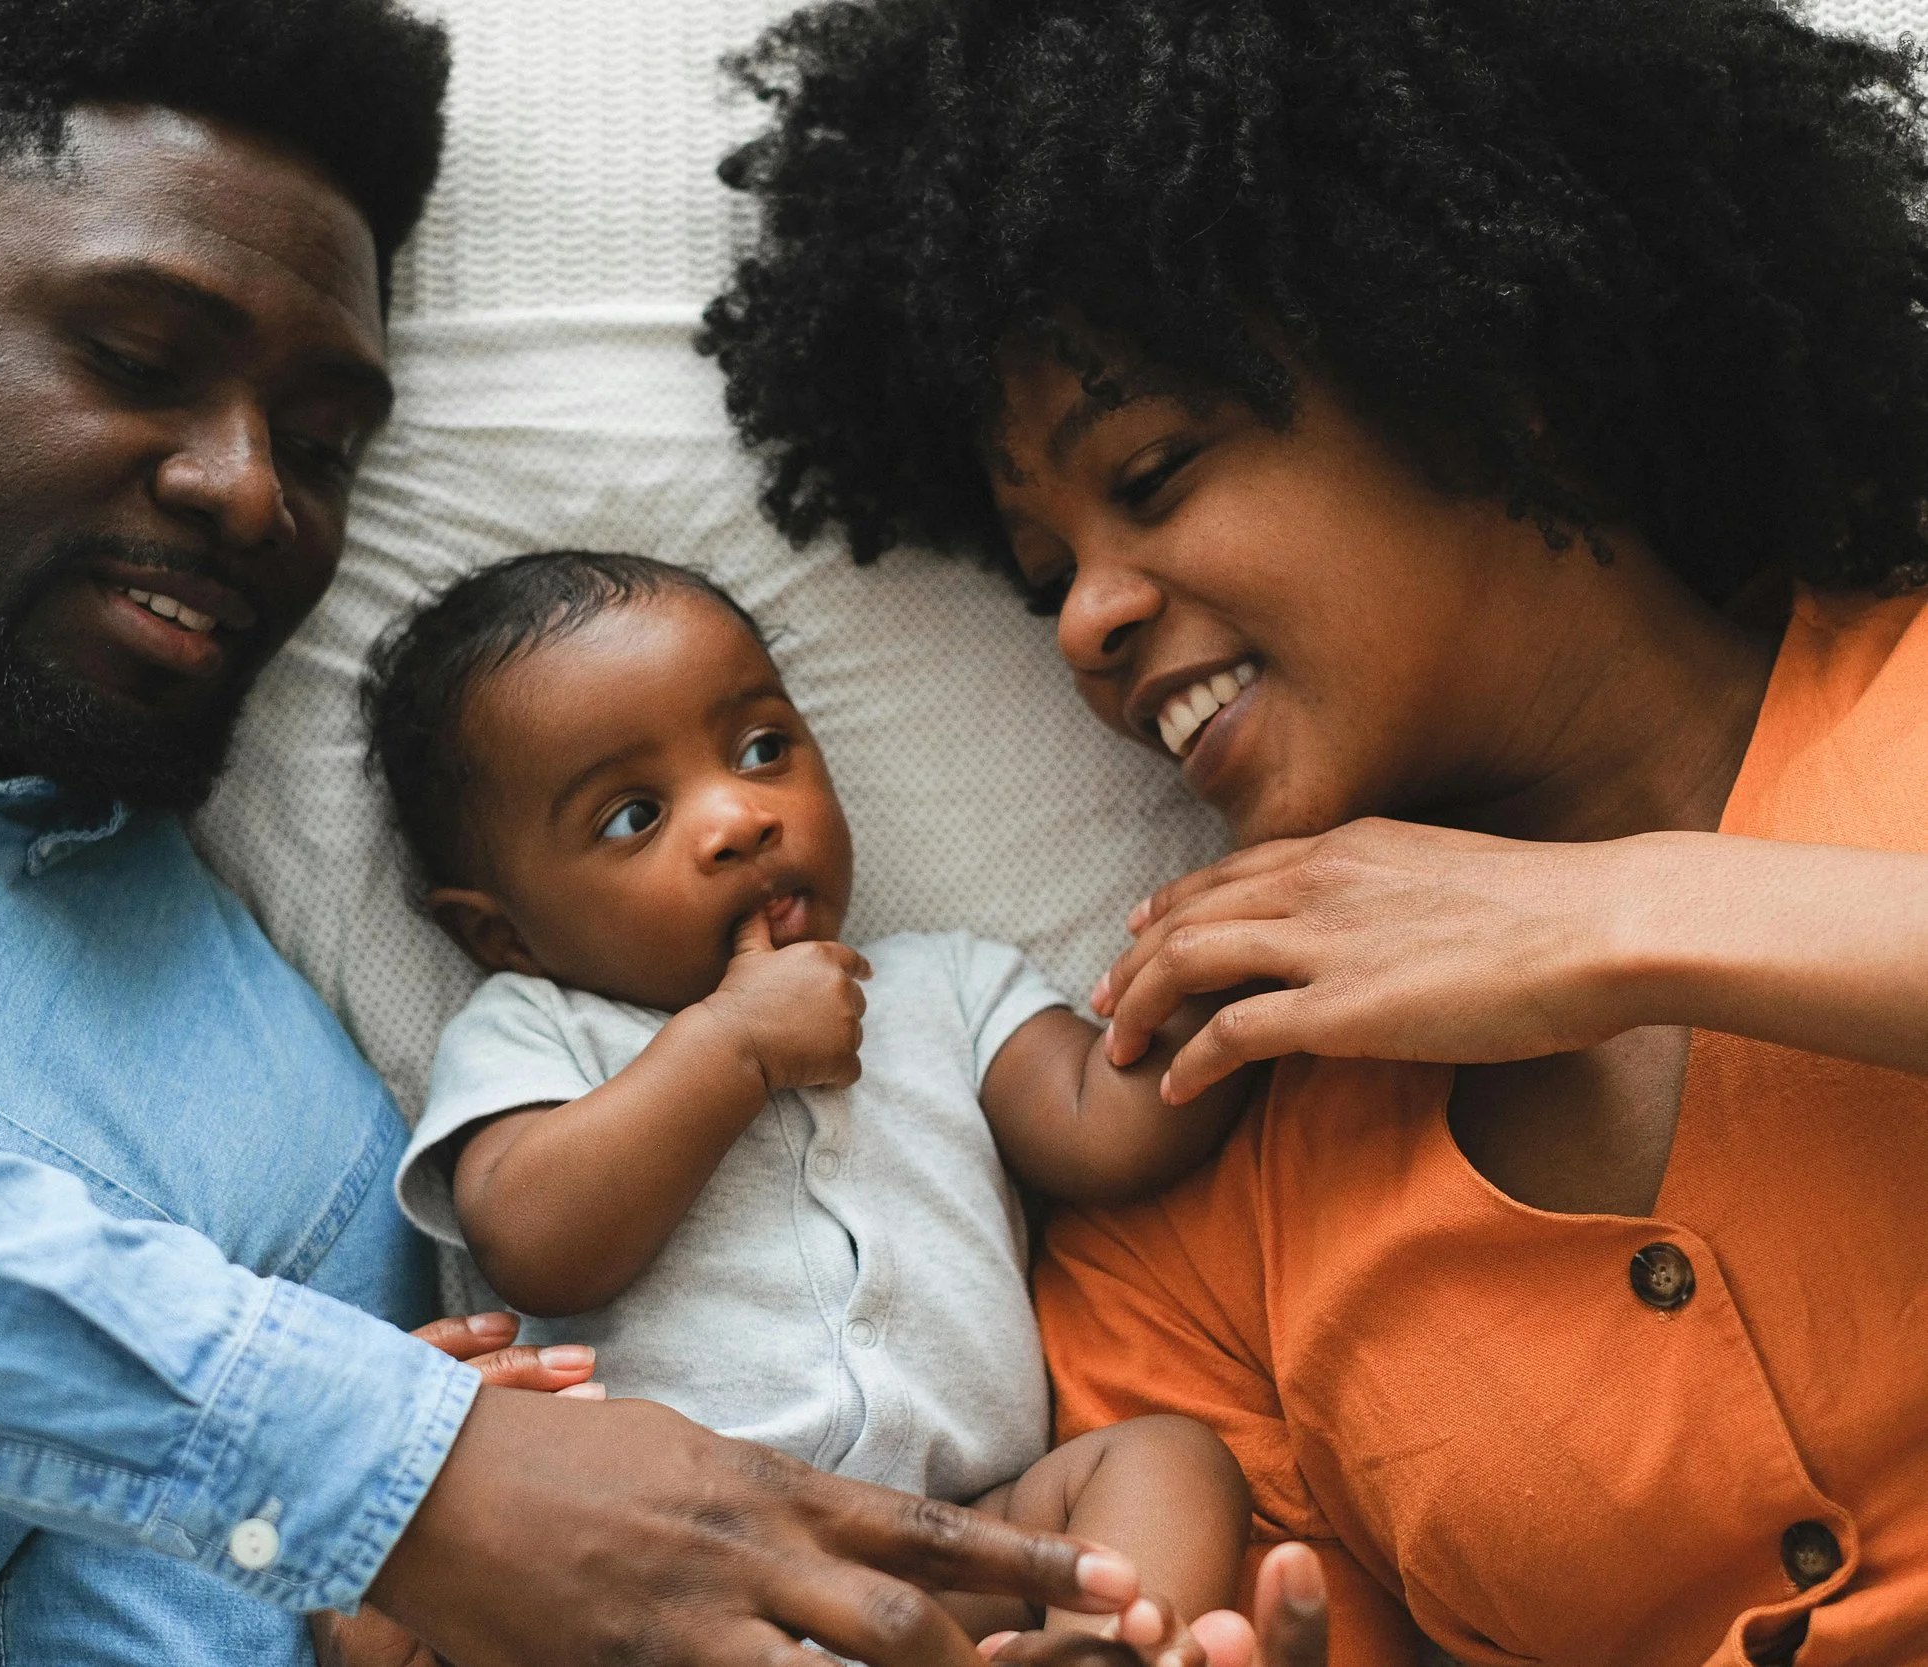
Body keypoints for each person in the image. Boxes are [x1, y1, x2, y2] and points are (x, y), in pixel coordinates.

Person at [0, 1, 1158, 1664]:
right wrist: (390, 1469)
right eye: (135, 358)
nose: (253, 490)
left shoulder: (304, 1156)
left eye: (323, 443)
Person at [702, 0, 1928, 1662]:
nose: (1083, 627)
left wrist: (1604, 924)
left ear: (1482, 362)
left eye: (1151, 471)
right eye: (1047, 572)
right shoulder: (1198, 1166)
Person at [354, 549, 1253, 1657]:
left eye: (762, 747)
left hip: (962, 1543)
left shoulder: (945, 983)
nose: (737, 815)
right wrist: (726, 1047)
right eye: (633, 815)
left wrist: (1206, 992)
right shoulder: (538, 1031)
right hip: (674, 1577)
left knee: (1165, 1463)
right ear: (502, 932)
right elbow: (536, 1242)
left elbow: (1100, 1124)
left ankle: (1089, 1649)